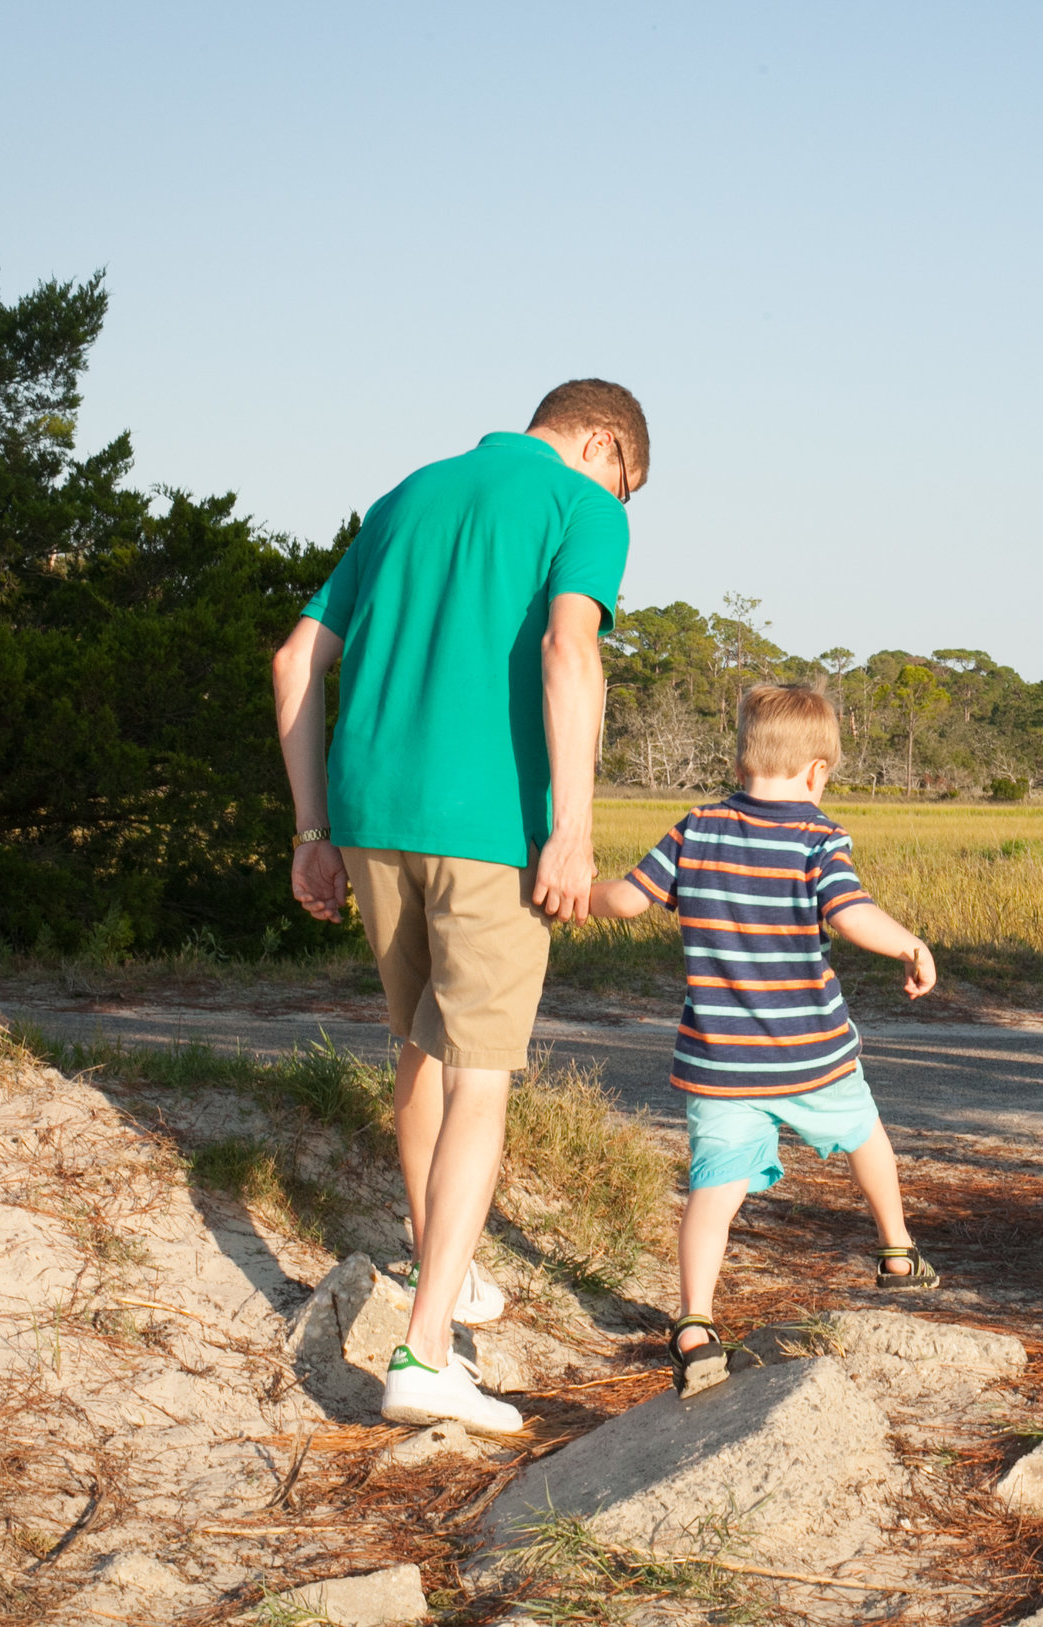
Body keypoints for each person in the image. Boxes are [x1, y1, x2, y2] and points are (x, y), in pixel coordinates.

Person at [270, 379, 646, 1435]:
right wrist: (570, 829)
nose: (627, 502)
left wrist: (311, 830)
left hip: (370, 811)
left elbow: (298, 656)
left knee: (420, 1047)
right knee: (481, 1072)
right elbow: (569, 648)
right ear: (604, 442)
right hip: (488, 827)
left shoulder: (408, 494)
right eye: (631, 481)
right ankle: (428, 1349)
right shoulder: (585, 504)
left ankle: (452, 1266)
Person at [585, 683, 939, 1397]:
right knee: (868, 1137)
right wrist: (911, 945)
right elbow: (851, 913)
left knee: (713, 1190)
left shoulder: (696, 827)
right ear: (816, 772)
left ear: (743, 757)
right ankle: (897, 1250)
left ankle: (692, 1323)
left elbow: (624, 899)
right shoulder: (818, 837)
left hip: (719, 1064)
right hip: (813, 1054)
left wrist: (567, 886)